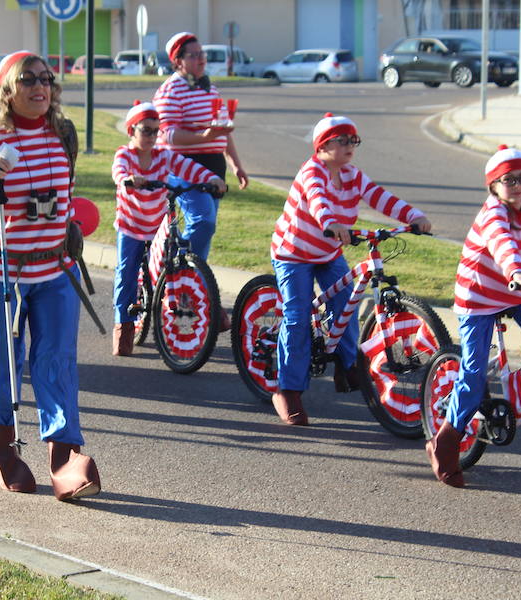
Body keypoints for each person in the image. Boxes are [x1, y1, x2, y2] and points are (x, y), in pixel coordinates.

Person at [0, 51, 101, 501]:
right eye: (27, 79)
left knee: (56, 362)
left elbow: (65, 195)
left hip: (55, 271)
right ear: (6, 91)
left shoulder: (62, 133)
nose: (39, 86)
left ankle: (64, 460)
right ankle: (2, 453)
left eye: (45, 78)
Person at [269, 113, 431, 426]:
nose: (350, 146)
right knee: (299, 314)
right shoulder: (311, 172)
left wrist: (414, 216)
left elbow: (380, 197)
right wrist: (331, 223)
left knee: (347, 300)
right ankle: (287, 389)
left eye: (353, 140)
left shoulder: (353, 175)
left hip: (328, 252)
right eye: (343, 140)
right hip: (293, 253)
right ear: (322, 145)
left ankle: (347, 364)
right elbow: (318, 202)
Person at [427, 146, 521, 488]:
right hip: (478, 298)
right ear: (493, 186)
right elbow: (502, 245)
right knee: (475, 372)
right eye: (509, 180)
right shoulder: (493, 215)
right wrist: (517, 272)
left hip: (517, 294)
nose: (518, 185)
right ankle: (445, 441)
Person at [110, 100, 225, 356]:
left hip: (157, 221)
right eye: (146, 130)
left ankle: (206, 306)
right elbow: (118, 171)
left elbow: (189, 168)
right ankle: (124, 326)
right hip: (131, 225)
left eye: (156, 130)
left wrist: (212, 179)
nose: (152, 136)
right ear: (131, 131)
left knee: (174, 261)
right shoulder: (125, 155)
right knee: (126, 273)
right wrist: (128, 180)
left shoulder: (164, 155)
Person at [152, 31, 249, 331]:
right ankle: (176, 270)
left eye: (202, 54)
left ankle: (190, 289)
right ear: (178, 61)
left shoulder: (211, 89)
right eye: (194, 55)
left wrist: (236, 164)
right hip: (183, 166)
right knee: (203, 221)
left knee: (204, 234)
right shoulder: (170, 91)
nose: (201, 59)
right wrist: (202, 136)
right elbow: (167, 135)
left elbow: (223, 130)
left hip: (213, 166)